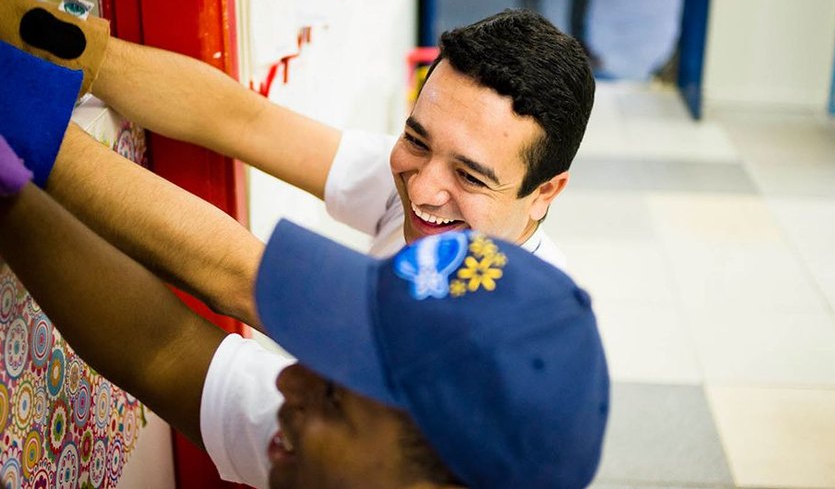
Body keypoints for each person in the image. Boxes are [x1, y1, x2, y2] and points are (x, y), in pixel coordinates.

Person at [0, 0, 598, 485]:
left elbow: (211, 305)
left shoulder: (457, 383)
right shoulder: (366, 438)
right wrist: (45, 38)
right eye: (416, 139)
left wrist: (23, 134)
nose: (421, 192)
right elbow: (241, 119)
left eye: (339, 390)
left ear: (546, 191)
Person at [0, 134, 610, 488]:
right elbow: (164, 350)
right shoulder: (359, 462)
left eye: (337, 397)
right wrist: (12, 199)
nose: (288, 379)